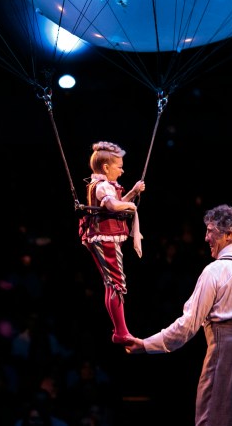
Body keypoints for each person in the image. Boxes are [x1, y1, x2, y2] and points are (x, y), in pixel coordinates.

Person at [124, 204, 232, 426]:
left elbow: (187, 326)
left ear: (229, 233)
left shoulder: (215, 271)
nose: (205, 237)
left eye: (210, 231)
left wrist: (146, 344)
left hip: (230, 357)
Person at [79, 141, 145, 345]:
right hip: (105, 238)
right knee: (116, 283)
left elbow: (116, 203)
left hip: (105, 237)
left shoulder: (105, 185)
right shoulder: (102, 186)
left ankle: (120, 331)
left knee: (112, 283)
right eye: (119, 166)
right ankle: (121, 332)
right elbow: (113, 205)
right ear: (106, 168)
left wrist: (133, 192)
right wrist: (130, 206)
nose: (122, 171)